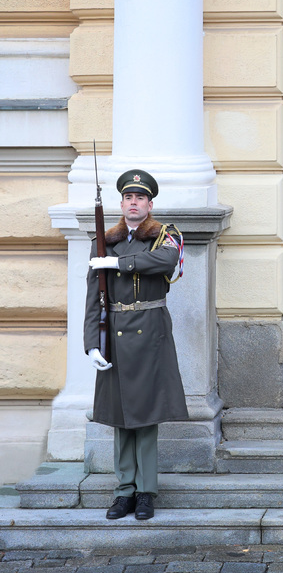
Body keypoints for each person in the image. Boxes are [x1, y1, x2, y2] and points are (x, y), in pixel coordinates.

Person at [85, 169, 187, 521]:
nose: (134, 202)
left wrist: (118, 263)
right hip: (113, 334)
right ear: (121, 203)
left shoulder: (164, 236)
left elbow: (167, 262)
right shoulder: (105, 240)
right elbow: (92, 298)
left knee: (145, 418)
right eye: (128, 197)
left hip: (151, 332)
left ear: (150, 204)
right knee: (120, 418)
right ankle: (123, 492)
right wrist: (91, 345)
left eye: (140, 198)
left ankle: (146, 492)